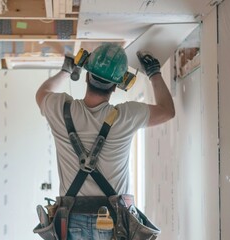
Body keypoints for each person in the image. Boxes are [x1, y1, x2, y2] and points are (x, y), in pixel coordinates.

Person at [35, 43, 175, 239]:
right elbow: (167, 110)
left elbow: (42, 93)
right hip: (114, 219)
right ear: (117, 86)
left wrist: (66, 71)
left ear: (86, 76)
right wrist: (153, 72)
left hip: (71, 219)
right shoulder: (126, 116)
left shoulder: (59, 109)